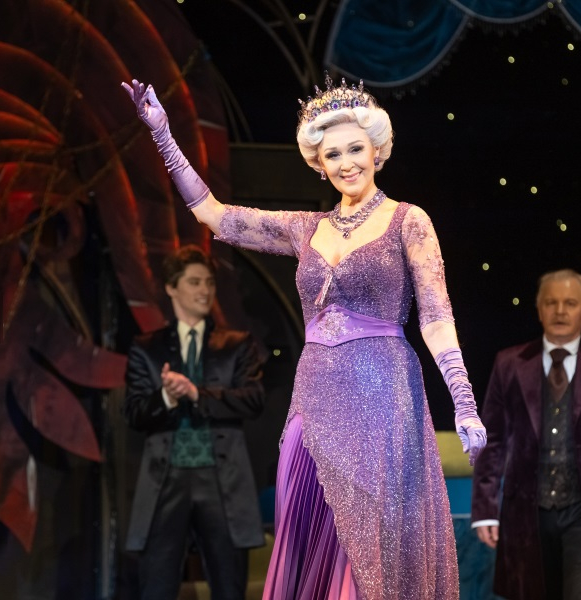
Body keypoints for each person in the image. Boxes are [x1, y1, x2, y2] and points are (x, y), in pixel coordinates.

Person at [121, 74, 487, 599]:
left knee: (372, 547)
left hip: (382, 395)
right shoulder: (305, 227)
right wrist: (162, 134)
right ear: (318, 162)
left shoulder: (409, 221)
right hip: (315, 395)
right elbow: (215, 216)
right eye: (333, 154)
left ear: (377, 150)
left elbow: (435, 316)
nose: (346, 163)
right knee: (312, 532)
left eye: (355, 149)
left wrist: (464, 402)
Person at [471, 269, 581, 600]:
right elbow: (492, 439)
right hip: (526, 510)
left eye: (570, 303)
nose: (560, 311)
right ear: (539, 310)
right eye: (551, 303)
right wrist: (484, 508)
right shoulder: (509, 363)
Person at [123, 244, 266, 600]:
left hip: (222, 479)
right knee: (156, 586)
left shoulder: (236, 344)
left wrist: (195, 393)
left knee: (229, 586)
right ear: (172, 288)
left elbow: (253, 399)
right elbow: (134, 412)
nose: (205, 290)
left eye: (209, 282)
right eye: (194, 282)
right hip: (166, 480)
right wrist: (167, 397)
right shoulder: (147, 348)